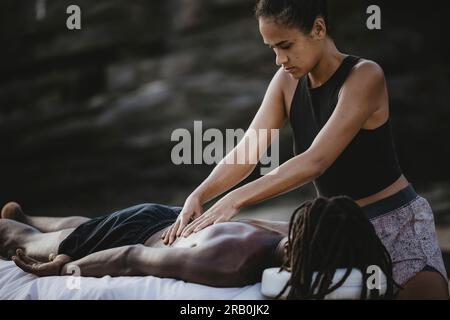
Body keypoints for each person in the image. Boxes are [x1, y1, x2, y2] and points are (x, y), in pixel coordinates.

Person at [160, 0, 449, 299]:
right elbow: (249, 150)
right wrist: (200, 195)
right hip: (332, 233)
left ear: (318, 29)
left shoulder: (365, 76)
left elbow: (316, 161)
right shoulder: (286, 82)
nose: (279, 59)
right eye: (272, 48)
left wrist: (235, 199)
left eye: (285, 45)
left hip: (396, 227)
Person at [1, 197, 395, 299]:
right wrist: (68, 270)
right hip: (143, 232)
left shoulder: (297, 228)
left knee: (84, 227)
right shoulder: (227, 263)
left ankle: (28, 214)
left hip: (172, 220)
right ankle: (21, 227)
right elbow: (130, 257)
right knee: (30, 244)